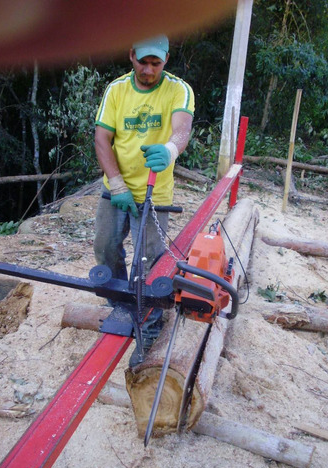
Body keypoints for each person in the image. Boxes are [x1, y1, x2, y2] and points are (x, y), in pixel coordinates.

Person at [94, 34, 195, 365]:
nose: (149, 70)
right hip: (118, 185)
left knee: (150, 260)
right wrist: (117, 183)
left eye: (156, 63)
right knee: (105, 247)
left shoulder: (178, 90)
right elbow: (102, 138)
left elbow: (182, 128)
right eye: (143, 62)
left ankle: (149, 324)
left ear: (166, 60)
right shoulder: (117, 90)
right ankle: (122, 302)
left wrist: (169, 149)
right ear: (131, 55)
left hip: (156, 192)